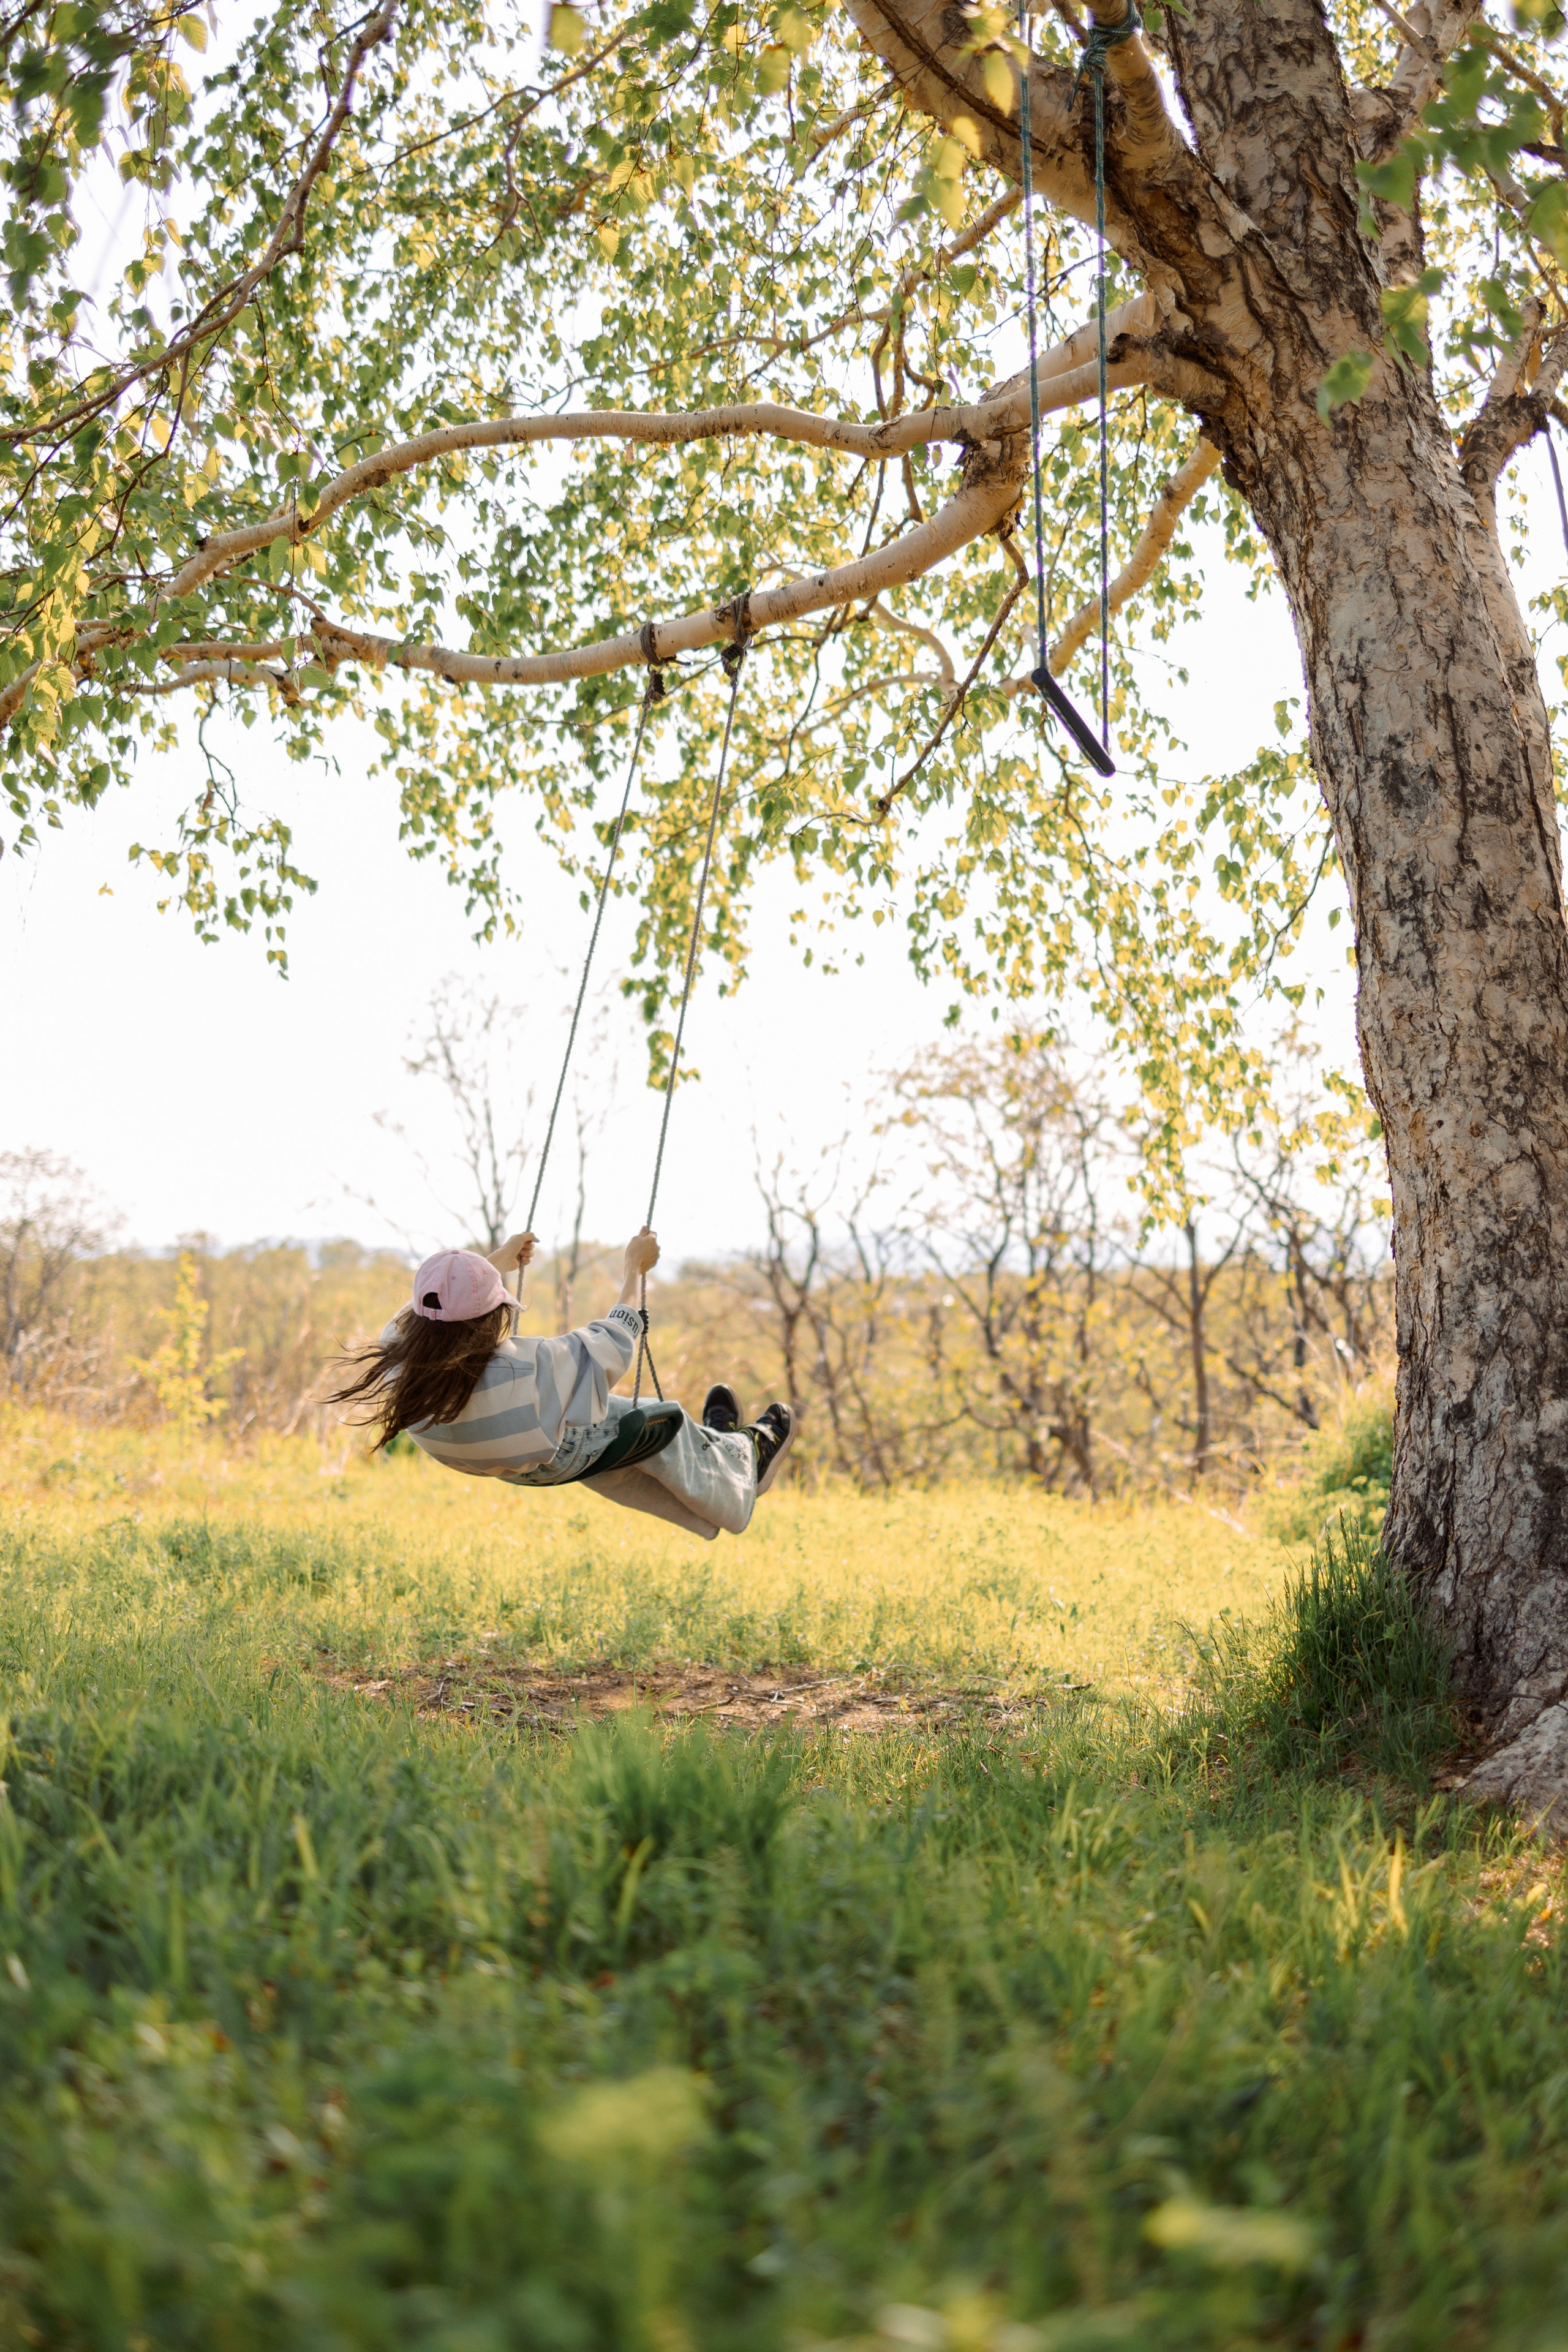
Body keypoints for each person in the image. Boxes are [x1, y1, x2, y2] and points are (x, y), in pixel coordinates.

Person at [331, 1225, 793, 1542]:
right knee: (644, 1415)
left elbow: (439, 1311)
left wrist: (497, 1264)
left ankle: (717, 1462)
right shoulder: (524, 1372)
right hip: (554, 1455)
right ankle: (746, 1455)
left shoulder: (400, 1350)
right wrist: (634, 1268)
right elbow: (612, 1341)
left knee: (609, 1440)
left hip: (492, 1459)